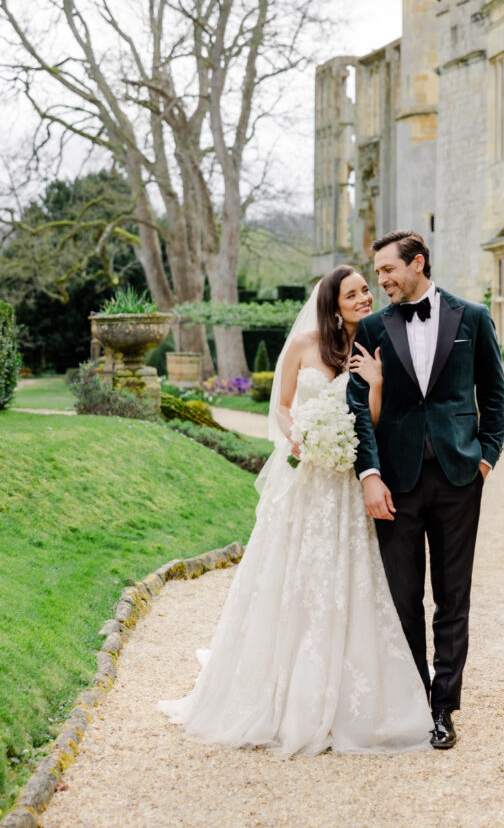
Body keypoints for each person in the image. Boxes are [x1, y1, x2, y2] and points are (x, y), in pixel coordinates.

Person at [159, 265, 433, 755]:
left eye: (366, 290)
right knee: (290, 574)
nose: (364, 298)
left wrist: (373, 383)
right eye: (352, 294)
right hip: (305, 478)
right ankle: (277, 685)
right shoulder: (305, 345)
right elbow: (282, 406)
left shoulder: (374, 344)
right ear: (332, 302)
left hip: (347, 482)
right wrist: (300, 435)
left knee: (348, 578)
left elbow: (374, 421)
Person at [347, 230, 504, 750]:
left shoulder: (473, 318)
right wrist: (369, 475)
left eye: (389, 270)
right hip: (395, 484)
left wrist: (485, 459)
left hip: (460, 478)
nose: (382, 281)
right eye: (378, 274)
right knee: (402, 599)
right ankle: (414, 699)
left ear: (418, 263)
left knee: (453, 598)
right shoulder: (371, 327)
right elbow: (357, 412)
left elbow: (495, 396)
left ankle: (444, 708)